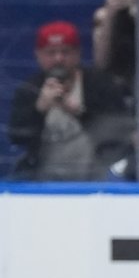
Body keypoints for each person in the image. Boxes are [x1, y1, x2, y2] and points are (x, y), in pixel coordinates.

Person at [7, 20, 128, 181]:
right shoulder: (29, 90)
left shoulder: (100, 85)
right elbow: (17, 137)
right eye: (51, 52)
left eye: (65, 52)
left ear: (78, 53)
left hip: (95, 182)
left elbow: (118, 131)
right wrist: (39, 110)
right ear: (39, 55)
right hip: (41, 183)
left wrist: (78, 112)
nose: (59, 58)